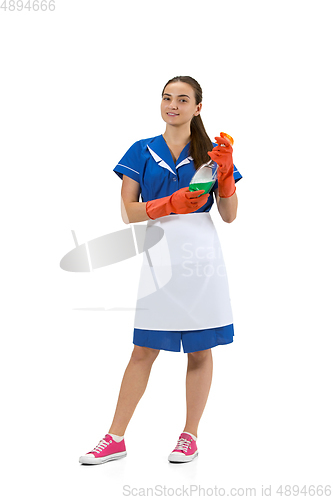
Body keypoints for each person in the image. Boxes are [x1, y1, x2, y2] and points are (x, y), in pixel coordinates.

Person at [79, 76, 242, 465]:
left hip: (202, 258)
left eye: (183, 99)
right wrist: (169, 202)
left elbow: (230, 216)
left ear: (198, 107)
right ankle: (115, 437)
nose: (173, 105)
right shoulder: (141, 150)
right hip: (160, 257)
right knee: (143, 349)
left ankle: (190, 435)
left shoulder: (210, 154)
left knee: (201, 350)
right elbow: (128, 212)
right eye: (167, 98)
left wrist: (226, 176)